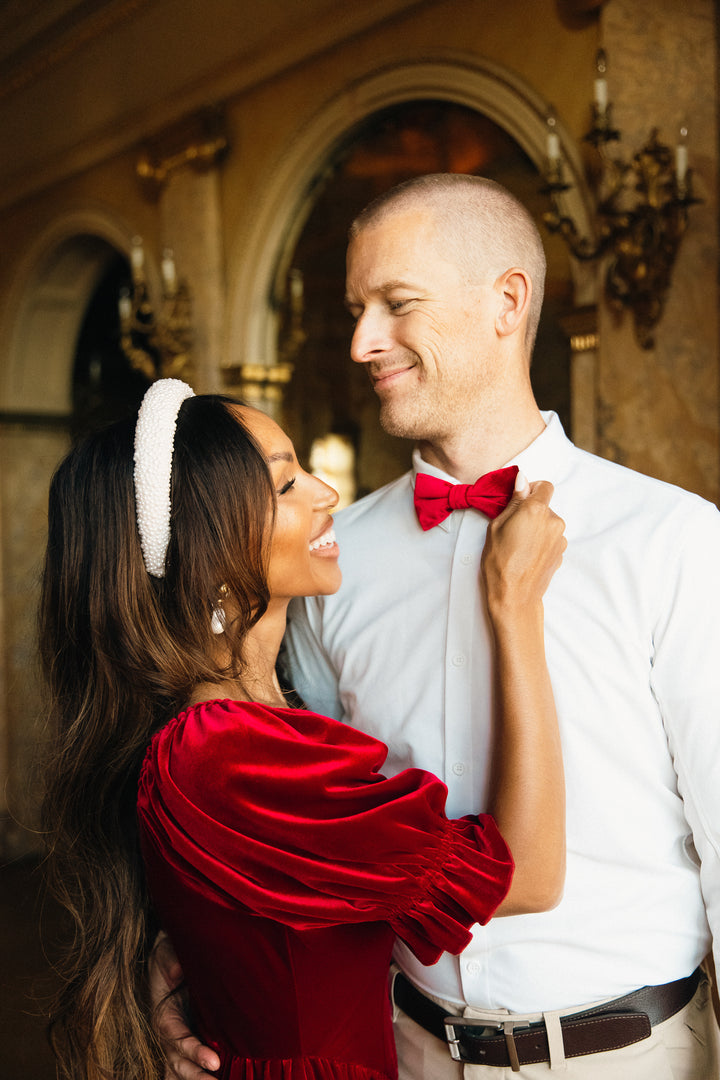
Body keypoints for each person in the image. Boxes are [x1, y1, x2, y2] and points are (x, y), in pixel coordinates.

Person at [166, 173, 720, 1079]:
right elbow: (287, 812)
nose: (359, 342)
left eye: (396, 304)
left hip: (628, 1055)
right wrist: (188, 944)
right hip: (399, 1048)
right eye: (356, 309)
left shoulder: (674, 539)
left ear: (507, 302)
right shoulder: (330, 558)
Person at [40, 376, 567, 1080]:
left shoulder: (247, 724)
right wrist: (514, 608)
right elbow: (526, 876)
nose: (327, 494)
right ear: (210, 552)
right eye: (286, 485)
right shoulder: (224, 751)